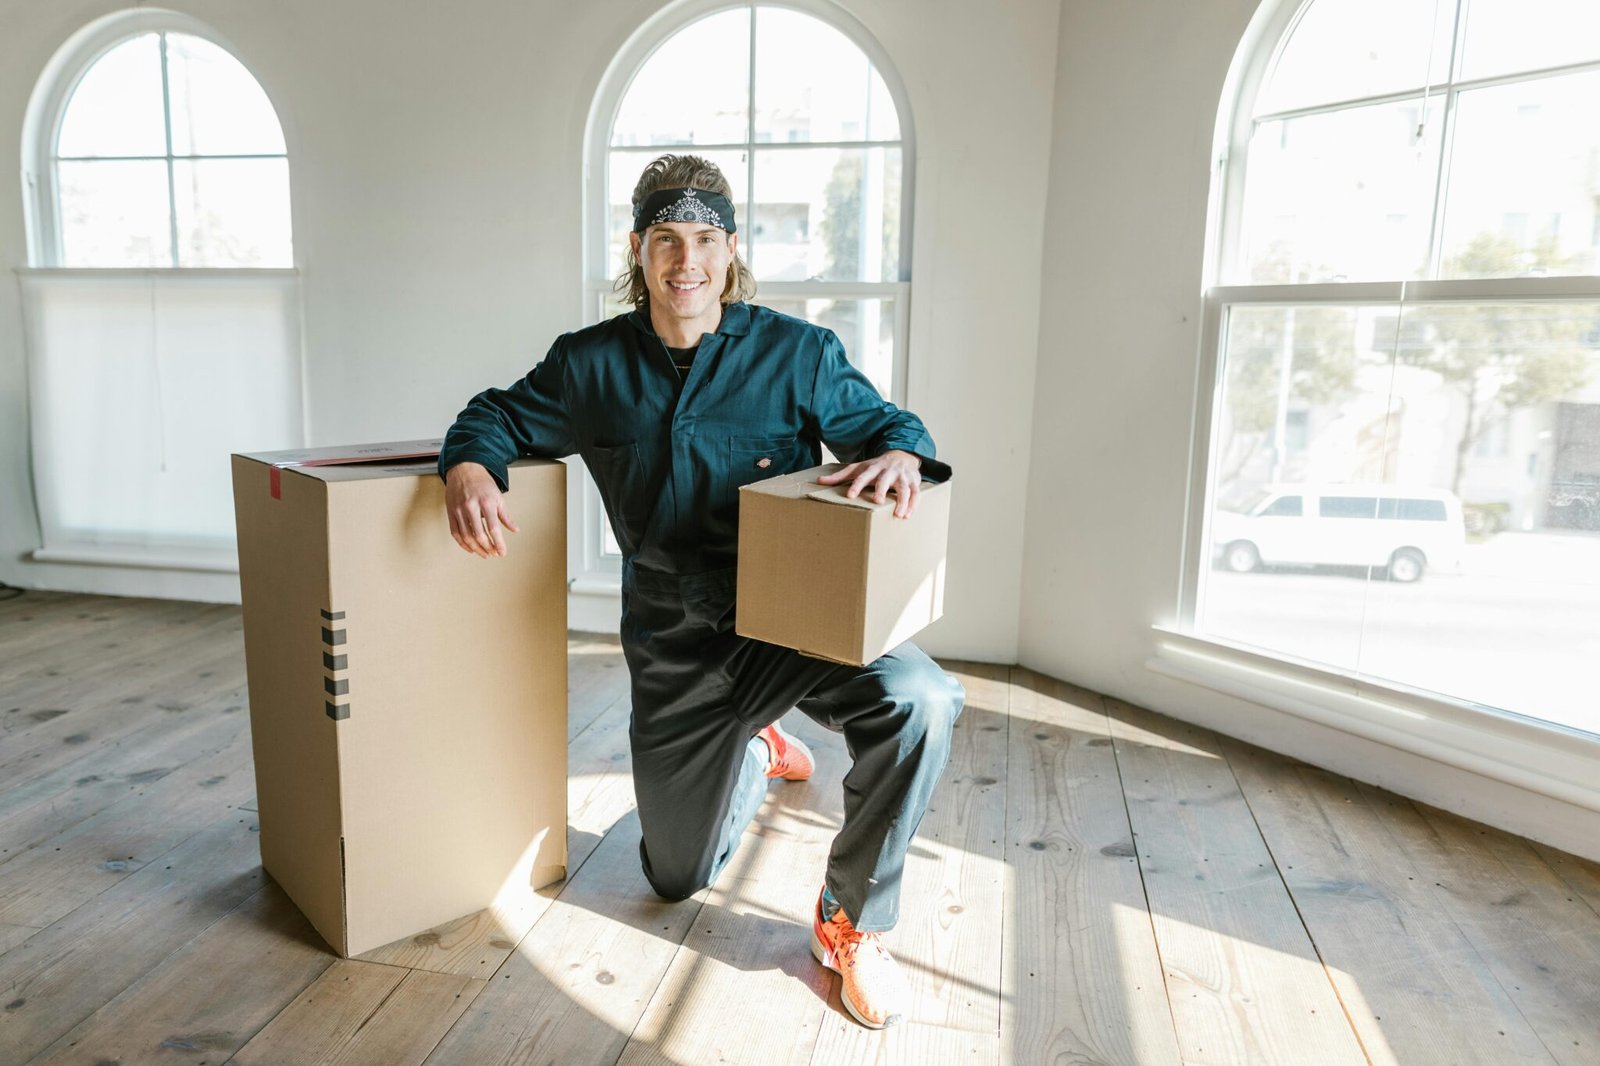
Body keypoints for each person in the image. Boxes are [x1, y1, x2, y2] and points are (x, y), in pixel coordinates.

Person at [439, 154, 963, 1029]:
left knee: (923, 697)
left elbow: (890, 428)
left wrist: (901, 456)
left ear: (730, 251)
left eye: (707, 239)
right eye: (667, 239)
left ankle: (851, 925)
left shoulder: (800, 354)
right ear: (638, 250)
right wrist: (468, 466)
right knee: (673, 877)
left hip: (790, 625)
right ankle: (756, 752)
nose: (688, 260)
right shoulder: (588, 365)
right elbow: (494, 414)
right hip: (671, 641)